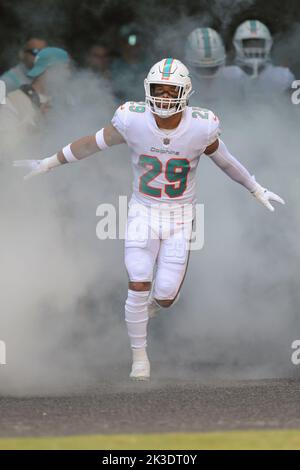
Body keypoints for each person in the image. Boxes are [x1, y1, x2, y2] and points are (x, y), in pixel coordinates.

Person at [14, 58, 285, 381]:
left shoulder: (202, 126)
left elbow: (226, 162)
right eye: (159, 89)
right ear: (148, 90)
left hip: (181, 217)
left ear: (185, 93)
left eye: (172, 91)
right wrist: (47, 163)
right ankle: (139, 358)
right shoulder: (133, 120)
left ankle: (147, 310)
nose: (165, 97)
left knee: (166, 295)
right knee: (139, 281)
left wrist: (255, 188)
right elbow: (91, 143)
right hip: (143, 211)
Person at [0, 47, 70, 139]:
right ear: (49, 70)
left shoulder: (65, 100)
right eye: (65, 69)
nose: (68, 74)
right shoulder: (12, 101)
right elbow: (6, 146)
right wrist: (36, 120)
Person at [185, 27, 244, 108]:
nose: (208, 76)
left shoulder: (236, 78)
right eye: (202, 69)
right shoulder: (180, 83)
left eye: (213, 68)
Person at [233, 20, 295, 93]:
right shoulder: (230, 75)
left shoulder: (283, 76)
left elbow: (291, 103)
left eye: (258, 43)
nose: (254, 48)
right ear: (238, 45)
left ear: (268, 44)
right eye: (248, 43)